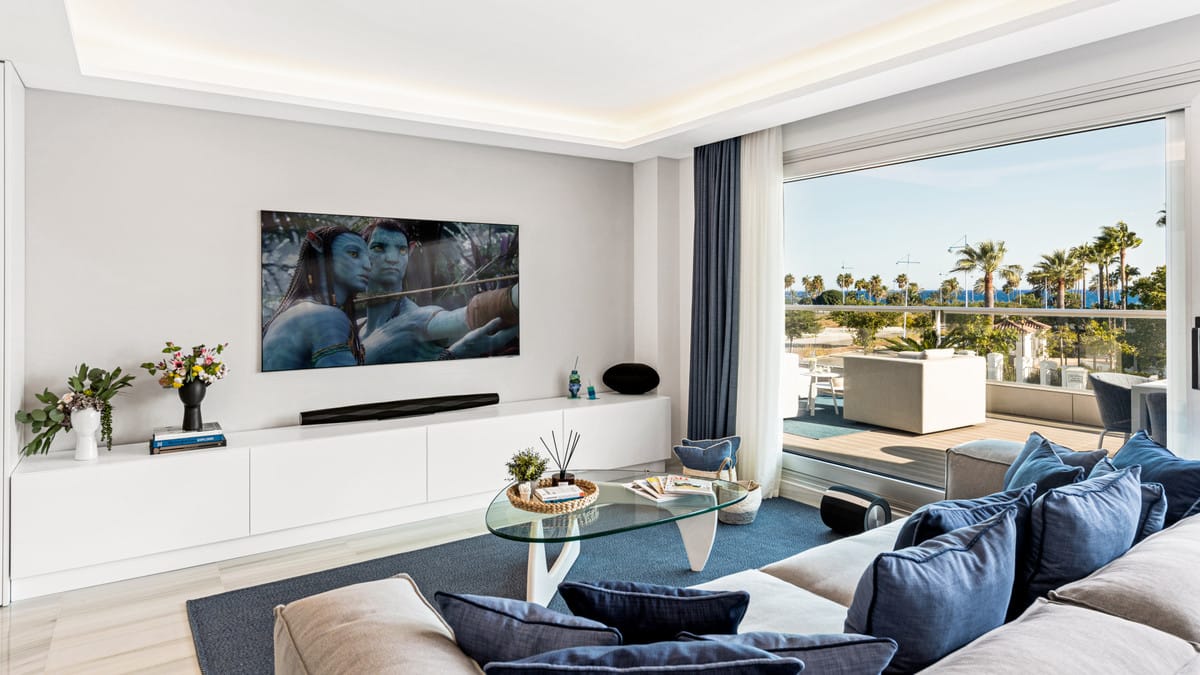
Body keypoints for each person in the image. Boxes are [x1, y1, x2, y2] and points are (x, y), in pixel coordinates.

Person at [358, 219, 518, 363]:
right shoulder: (356, 327)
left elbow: (470, 313)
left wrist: (514, 297)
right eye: (378, 248)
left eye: (401, 250)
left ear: (410, 251)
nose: (392, 259)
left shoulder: (418, 320)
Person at [262, 226, 372, 370]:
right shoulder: (326, 316)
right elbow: (343, 380)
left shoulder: (297, 311)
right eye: (353, 254)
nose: (368, 266)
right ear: (319, 250)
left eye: (369, 259)